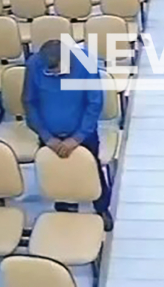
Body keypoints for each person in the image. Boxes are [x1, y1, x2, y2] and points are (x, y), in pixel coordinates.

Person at [23, 39, 113, 231]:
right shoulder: (34, 64)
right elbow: (29, 102)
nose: (54, 75)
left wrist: (77, 138)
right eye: (50, 71)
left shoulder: (86, 61)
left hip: (82, 134)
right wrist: (46, 137)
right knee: (59, 173)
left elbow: (94, 103)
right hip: (49, 135)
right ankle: (65, 205)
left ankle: (101, 208)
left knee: (91, 170)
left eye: (58, 70)